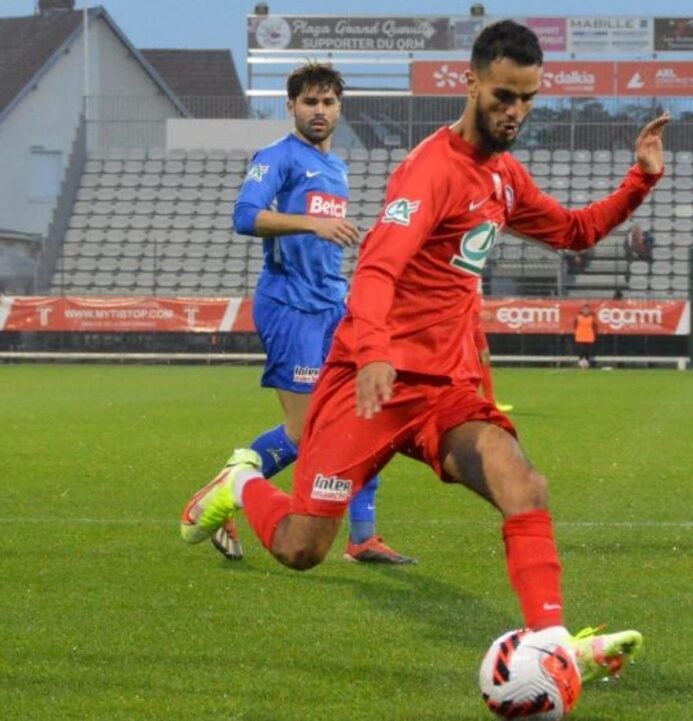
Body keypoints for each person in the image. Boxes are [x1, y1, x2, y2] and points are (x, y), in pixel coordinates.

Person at [181, 20, 668, 686]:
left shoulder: (504, 176)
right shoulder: (432, 169)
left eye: (528, 98)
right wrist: (377, 351)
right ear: (470, 83)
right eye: (503, 95)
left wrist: (638, 181)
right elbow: (378, 265)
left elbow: (576, 230)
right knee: (301, 547)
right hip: (367, 384)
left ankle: (554, 643)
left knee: (524, 483)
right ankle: (240, 482)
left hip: (443, 392)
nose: (515, 111)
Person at [201, 62, 413, 565]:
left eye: (329, 102)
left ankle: (362, 537)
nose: (320, 111)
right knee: (302, 433)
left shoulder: (337, 167)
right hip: (290, 305)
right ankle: (225, 494)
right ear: (291, 106)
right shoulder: (277, 157)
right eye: (310, 102)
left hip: (332, 305)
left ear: (340, 107)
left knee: (364, 415)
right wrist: (311, 224)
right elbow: (245, 216)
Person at [476, 300, 514, 412]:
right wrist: (478, 312)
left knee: (483, 357)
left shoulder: (475, 284)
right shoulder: (471, 283)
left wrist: (479, 310)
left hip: (473, 320)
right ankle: (488, 401)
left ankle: (488, 400)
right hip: (470, 320)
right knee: (481, 357)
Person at [573, 303, 598, 369]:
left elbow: (595, 327)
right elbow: (574, 325)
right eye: (584, 309)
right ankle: (581, 363)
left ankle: (586, 364)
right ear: (582, 310)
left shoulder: (592, 317)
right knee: (582, 351)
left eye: (587, 310)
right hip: (580, 337)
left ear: (589, 311)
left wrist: (593, 334)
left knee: (588, 352)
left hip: (589, 337)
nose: (586, 311)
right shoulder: (578, 317)